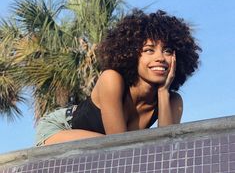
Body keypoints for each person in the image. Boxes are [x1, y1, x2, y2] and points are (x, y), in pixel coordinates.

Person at [35, 9, 201, 146]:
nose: (160, 58)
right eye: (149, 50)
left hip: (109, 148)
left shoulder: (173, 101)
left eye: (168, 51)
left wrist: (163, 92)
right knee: (114, 147)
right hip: (62, 128)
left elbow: (166, 150)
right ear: (131, 55)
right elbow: (118, 148)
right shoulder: (111, 79)